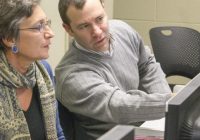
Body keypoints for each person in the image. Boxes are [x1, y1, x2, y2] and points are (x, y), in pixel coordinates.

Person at [55, 0, 172, 139]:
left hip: (145, 129)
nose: (97, 32)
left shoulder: (122, 30)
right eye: (84, 26)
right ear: (68, 29)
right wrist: (170, 103)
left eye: (99, 19)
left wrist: (168, 105)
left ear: (104, 8)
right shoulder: (71, 75)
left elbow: (146, 65)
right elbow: (120, 107)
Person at [0, 0, 65, 139]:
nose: (50, 33)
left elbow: (58, 134)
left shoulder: (43, 70)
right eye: (38, 27)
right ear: (9, 38)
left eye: (47, 23)